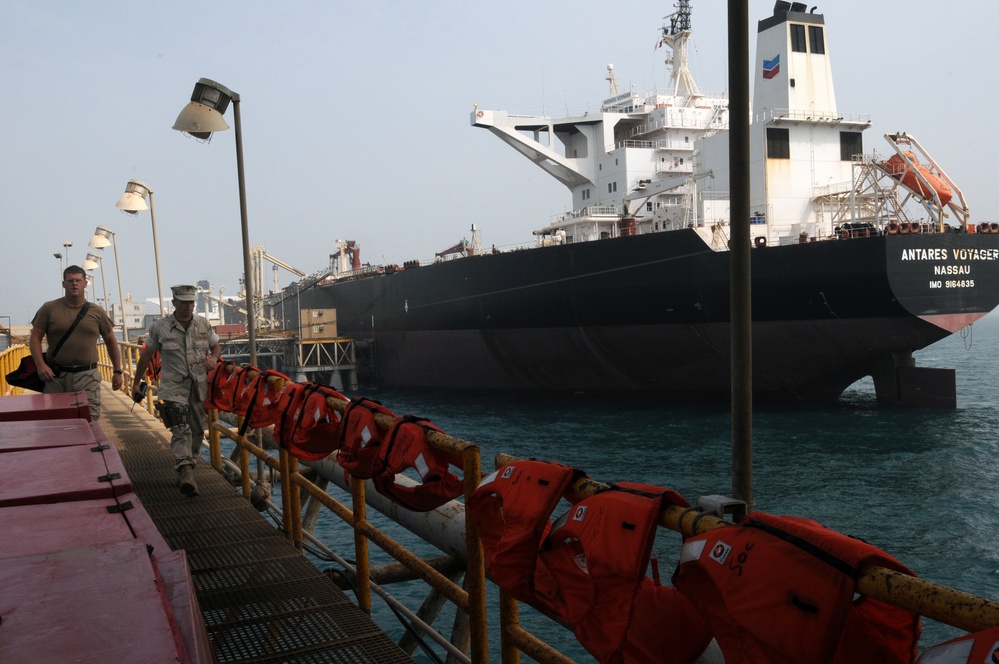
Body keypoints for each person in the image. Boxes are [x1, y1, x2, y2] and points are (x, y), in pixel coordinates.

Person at [132, 284, 221, 497]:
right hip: (173, 388)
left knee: (198, 430)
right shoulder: (160, 327)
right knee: (181, 428)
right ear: (174, 303)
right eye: (184, 302)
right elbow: (145, 356)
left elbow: (216, 346)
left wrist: (214, 359)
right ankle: (186, 470)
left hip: (198, 386)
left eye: (191, 302)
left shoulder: (203, 324)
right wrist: (136, 383)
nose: (188, 306)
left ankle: (187, 465)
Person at [30, 265, 124, 420]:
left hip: (87, 376)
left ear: (85, 283)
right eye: (70, 280)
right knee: (55, 420)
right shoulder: (49, 308)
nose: (74, 283)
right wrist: (40, 365)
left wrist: (117, 371)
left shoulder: (96, 311)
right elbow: (34, 338)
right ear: (63, 284)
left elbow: (111, 341)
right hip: (56, 377)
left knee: (89, 420)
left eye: (78, 280)